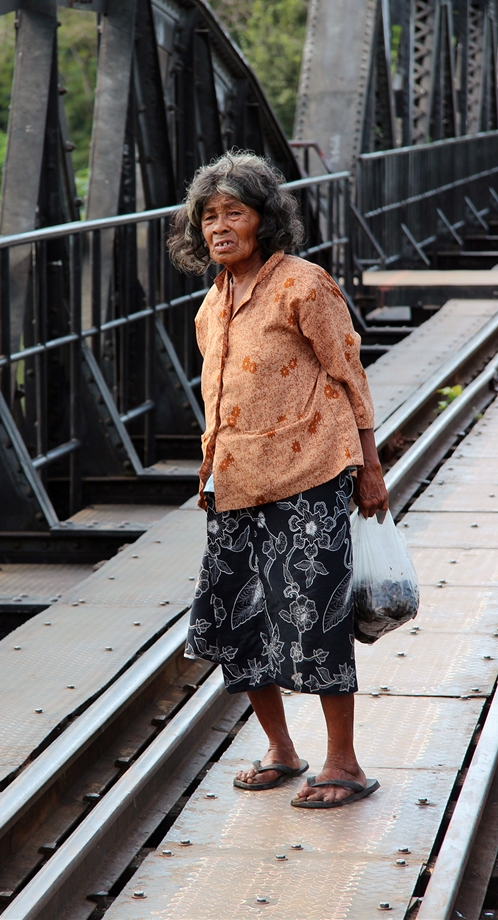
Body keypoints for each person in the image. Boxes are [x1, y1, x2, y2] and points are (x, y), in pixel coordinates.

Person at [168, 150, 389, 809]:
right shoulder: (213, 304)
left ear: (264, 220)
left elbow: (348, 373)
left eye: (232, 212)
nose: (217, 226)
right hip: (233, 483)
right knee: (233, 620)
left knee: (312, 616)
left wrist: (369, 467)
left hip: (308, 474)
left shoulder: (303, 284)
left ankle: (343, 764)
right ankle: (281, 750)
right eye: (207, 217)